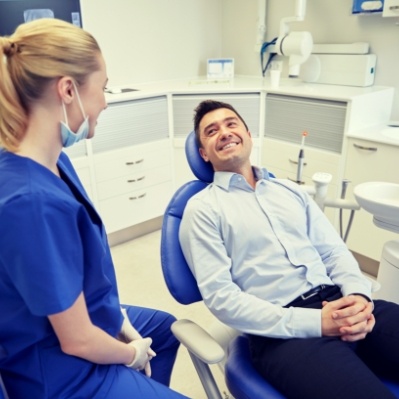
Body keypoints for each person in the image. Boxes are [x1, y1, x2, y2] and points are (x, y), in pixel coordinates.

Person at [0, 19, 189, 399]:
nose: (105, 100)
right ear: (68, 90)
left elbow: (79, 272)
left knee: (163, 330)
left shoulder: (53, 162)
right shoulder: (31, 203)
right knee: (145, 349)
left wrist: (118, 318)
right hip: (60, 370)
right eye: (102, 88)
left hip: (81, 320)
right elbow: (78, 342)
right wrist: (129, 353)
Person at [179, 99, 399, 399]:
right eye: (211, 131)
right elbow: (222, 299)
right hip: (283, 333)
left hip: (339, 300)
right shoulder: (203, 209)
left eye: (231, 124)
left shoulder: (290, 191)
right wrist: (316, 323)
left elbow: (334, 251)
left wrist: (358, 297)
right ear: (204, 153)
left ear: (248, 133)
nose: (225, 132)